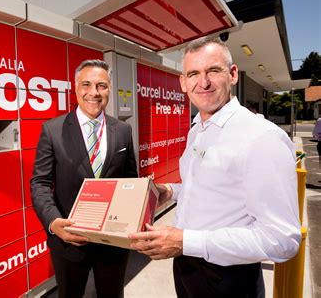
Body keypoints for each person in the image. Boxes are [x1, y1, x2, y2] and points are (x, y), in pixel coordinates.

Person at [129, 37, 301, 297]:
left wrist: (185, 241)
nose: (203, 82)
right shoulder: (197, 128)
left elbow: (282, 239)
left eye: (213, 71)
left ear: (233, 75)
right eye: (193, 74)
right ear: (183, 83)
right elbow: (213, 188)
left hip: (230, 279)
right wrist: (171, 192)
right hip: (187, 266)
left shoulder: (261, 138)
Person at [31, 59, 138, 297]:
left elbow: (131, 178)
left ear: (109, 88)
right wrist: (54, 223)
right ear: (76, 87)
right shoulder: (53, 130)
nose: (94, 93)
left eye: (101, 86)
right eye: (86, 84)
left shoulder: (122, 130)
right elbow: (40, 183)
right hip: (69, 242)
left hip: (114, 243)